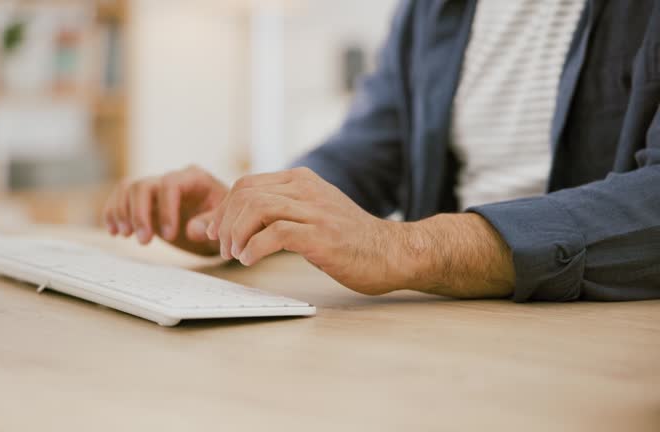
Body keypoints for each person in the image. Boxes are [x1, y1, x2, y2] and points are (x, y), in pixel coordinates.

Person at [103, 0, 660, 302]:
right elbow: (370, 149)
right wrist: (248, 213)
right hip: (445, 329)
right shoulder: (431, 10)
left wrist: (407, 247)